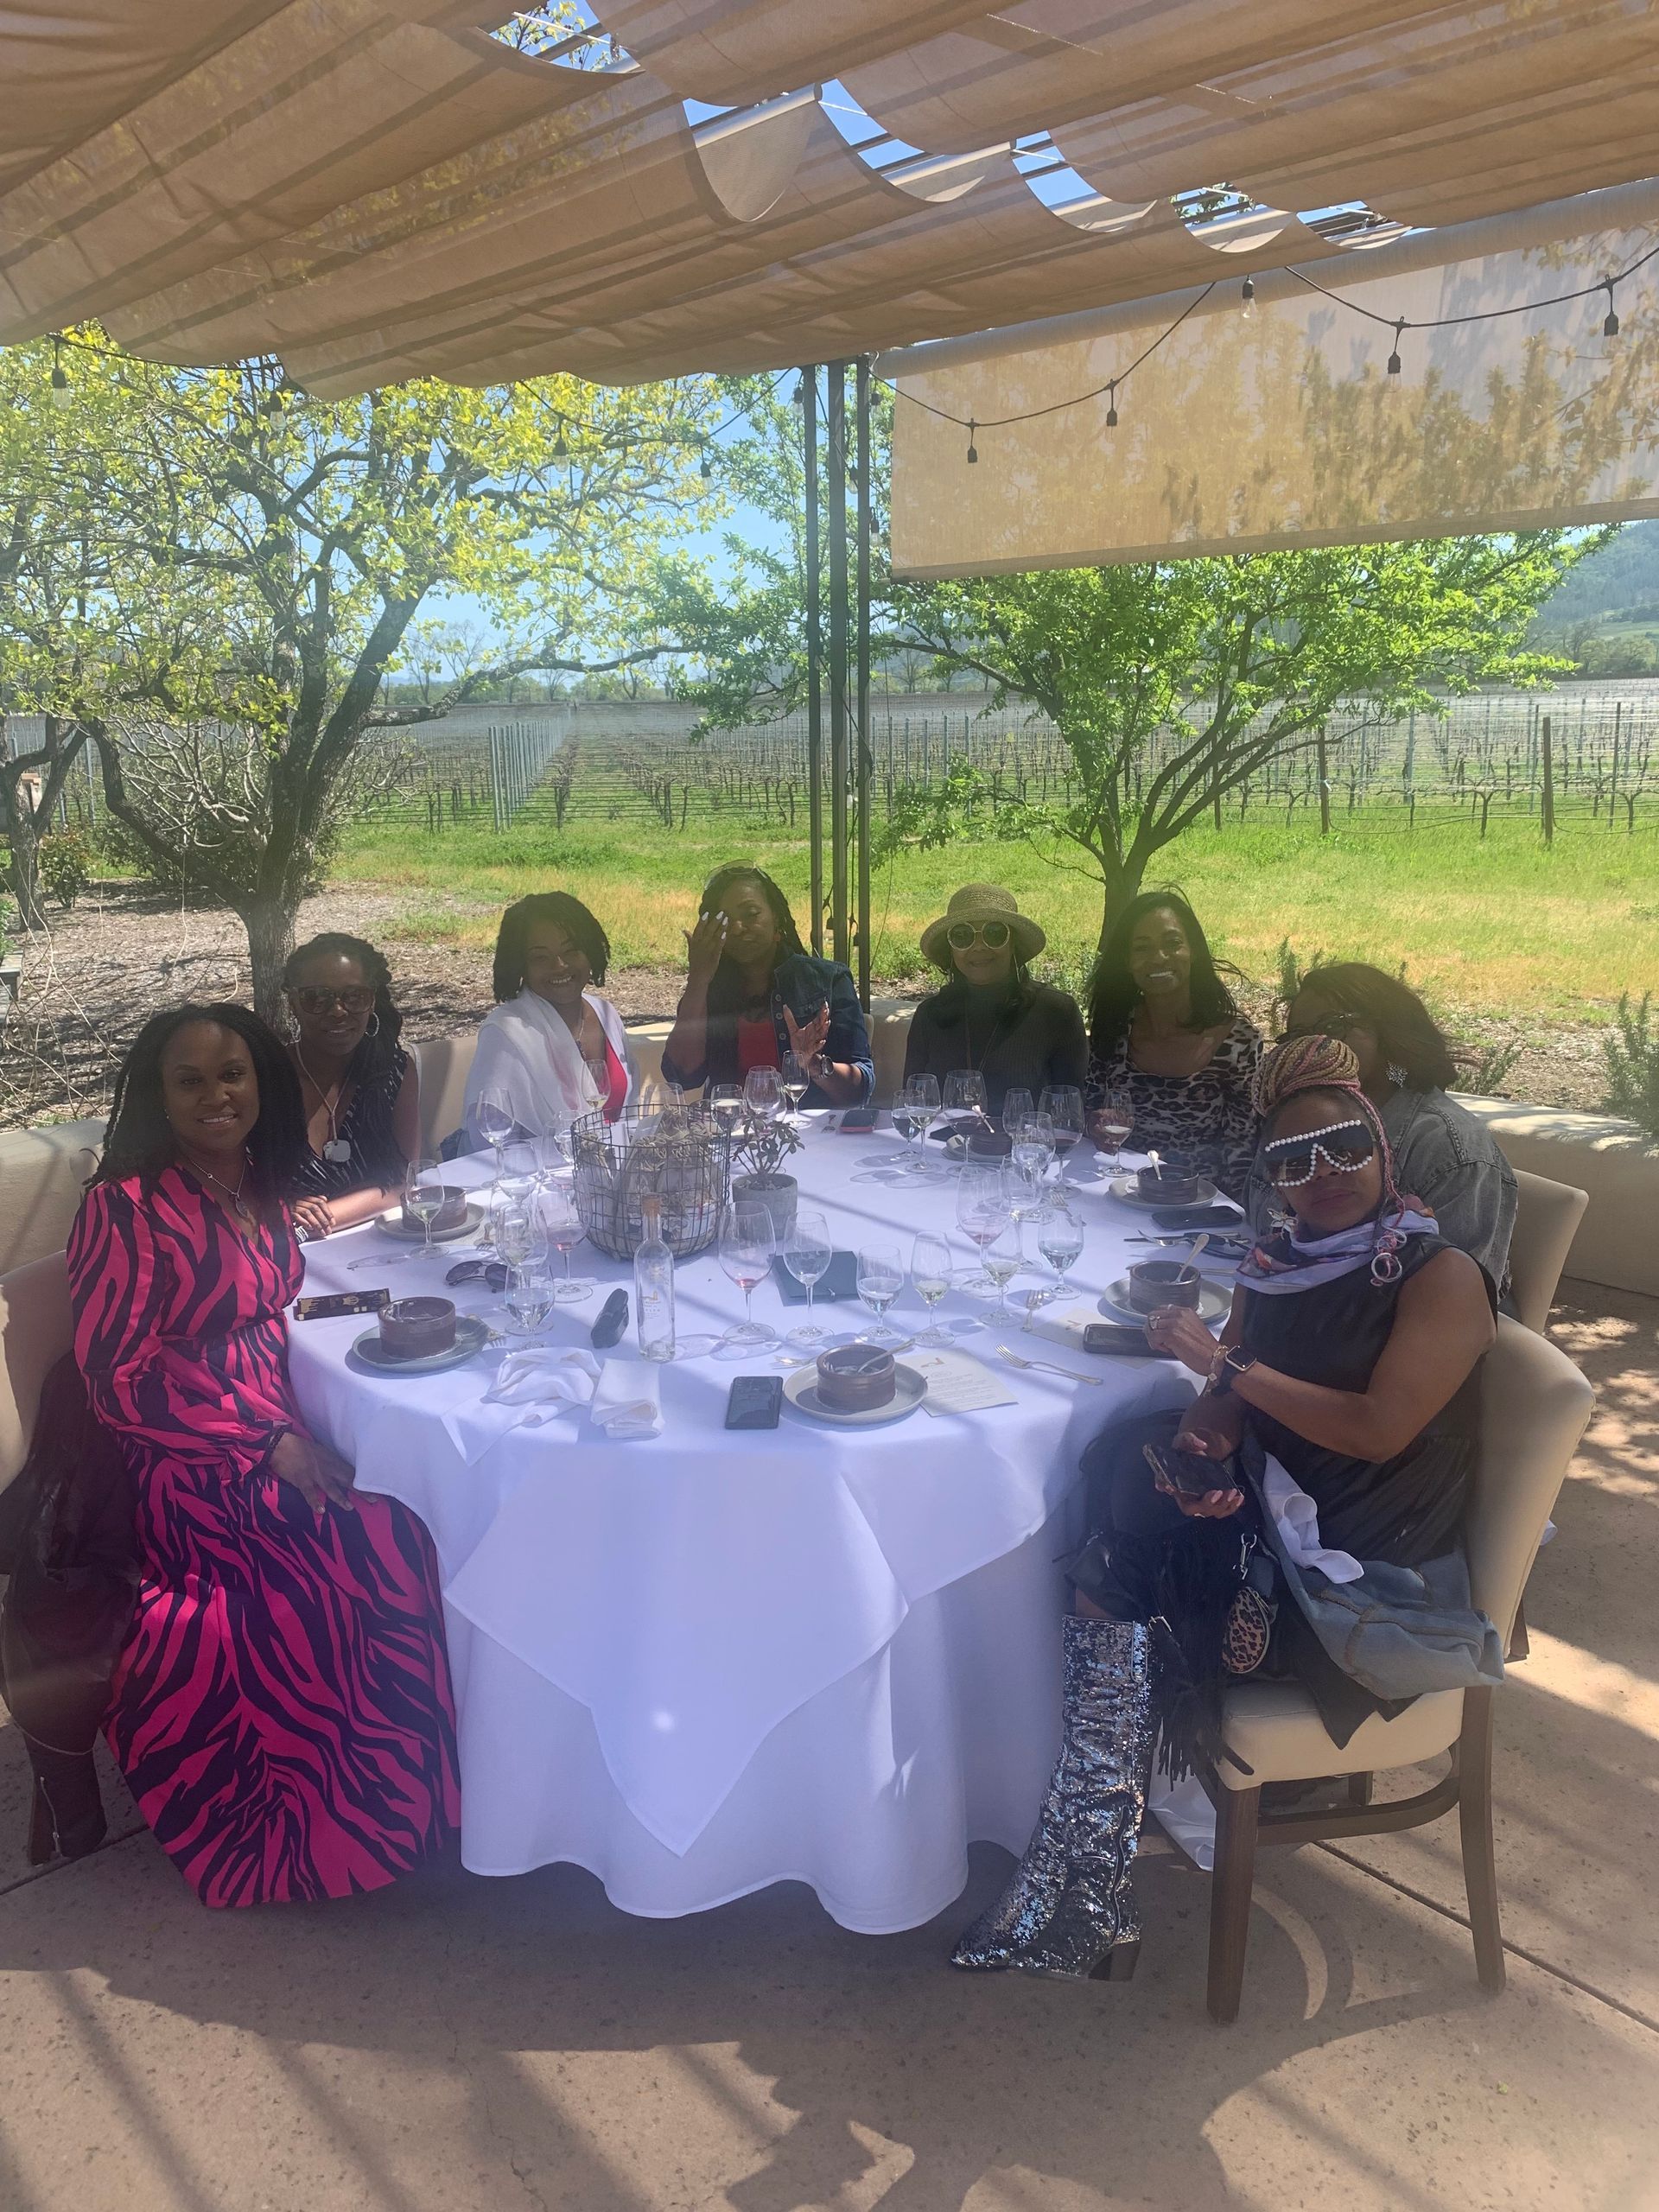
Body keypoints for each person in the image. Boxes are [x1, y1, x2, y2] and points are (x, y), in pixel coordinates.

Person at [954, 1033, 1498, 1982]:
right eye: (1295, 1159)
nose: (1322, 1173)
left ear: (1385, 1151)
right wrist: (1205, 1439)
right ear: (1273, 1179)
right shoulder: (1278, 1261)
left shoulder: (1437, 1277)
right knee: (1129, 1468)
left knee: (1122, 1562)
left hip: (1361, 1574)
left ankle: (1085, 1876)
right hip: (1278, 1514)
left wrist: (1225, 1369)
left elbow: (1377, 1428)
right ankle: (1087, 1870)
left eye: (1344, 1148)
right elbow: (1229, 1405)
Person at [66, 1002, 460, 1907]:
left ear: (260, 1083)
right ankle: (332, 1835)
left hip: (276, 1424)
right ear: (155, 1094)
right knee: (378, 1544)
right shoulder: (123, 1208)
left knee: (413, 1505)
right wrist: (261, 1441)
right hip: (193, 1463)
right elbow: (118, 1376)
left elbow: (265, 1306)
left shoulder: (257, 1181)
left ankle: (412, 1810)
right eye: (191, 1080)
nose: (217, 1096)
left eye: (232, 1075)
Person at [1259, 962, 1517, 1295]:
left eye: (1334, 1025)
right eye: (1298, 1035)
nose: (1315, 1043)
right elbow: (1265, 1224)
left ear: (1387, 1030)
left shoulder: (1448, 1146)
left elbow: (1457, 1298)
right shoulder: (1294, 1123)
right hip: (1297, 1300)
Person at [1084, 891, 1262, 1198]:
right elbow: (1092, 1113)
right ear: (1126, 961)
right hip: (1122, 1191)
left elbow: (1242, 1149)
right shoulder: (1113, 1029)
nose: (1158, 958)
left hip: (1200, 1201)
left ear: (1193, 951)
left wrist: (1234, 1219)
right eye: (1142, 948)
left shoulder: (1237, 1042)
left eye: (1172, 943)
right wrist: (1096, 1127)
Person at [661, 865, 873, 1106]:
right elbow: (682, 1076)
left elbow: (860, 1091)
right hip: (729, 1133)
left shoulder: (827, 980)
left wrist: (814, 1066)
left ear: (777, 920)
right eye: (725, 920)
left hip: (808, 1136)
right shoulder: (709, 988)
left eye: (751, 914)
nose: (738, 928)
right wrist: (698, 979)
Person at [462, 892, 638, 1147]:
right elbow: (489, 1143)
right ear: (520, 965)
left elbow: (629, 1118)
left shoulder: (606, 1015)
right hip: (540, 1182)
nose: (560, 965)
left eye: (571, 950)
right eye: (540, 957)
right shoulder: (507, 1033)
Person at [903, 884, 1087, 1116]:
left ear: (1014, 944)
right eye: (962, 936)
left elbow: (1070, 1110)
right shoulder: (929, 1014)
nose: (979, 946)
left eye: (994, 934)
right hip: (939, 1150)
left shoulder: (1056, 1011)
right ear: (951, 950)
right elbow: (912, 1103)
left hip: (1026, 1150)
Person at [283, 931, 420, 1236]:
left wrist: (322, 1218)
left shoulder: (392, 1071)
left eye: (354, 997)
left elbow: (406, 1181)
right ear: (293, 1003)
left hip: (379, 1242)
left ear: (371, 1001)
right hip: (289, 1255)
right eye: (316, 998)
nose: (338, 1011)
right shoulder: (266, 1079)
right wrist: (282, 1211)